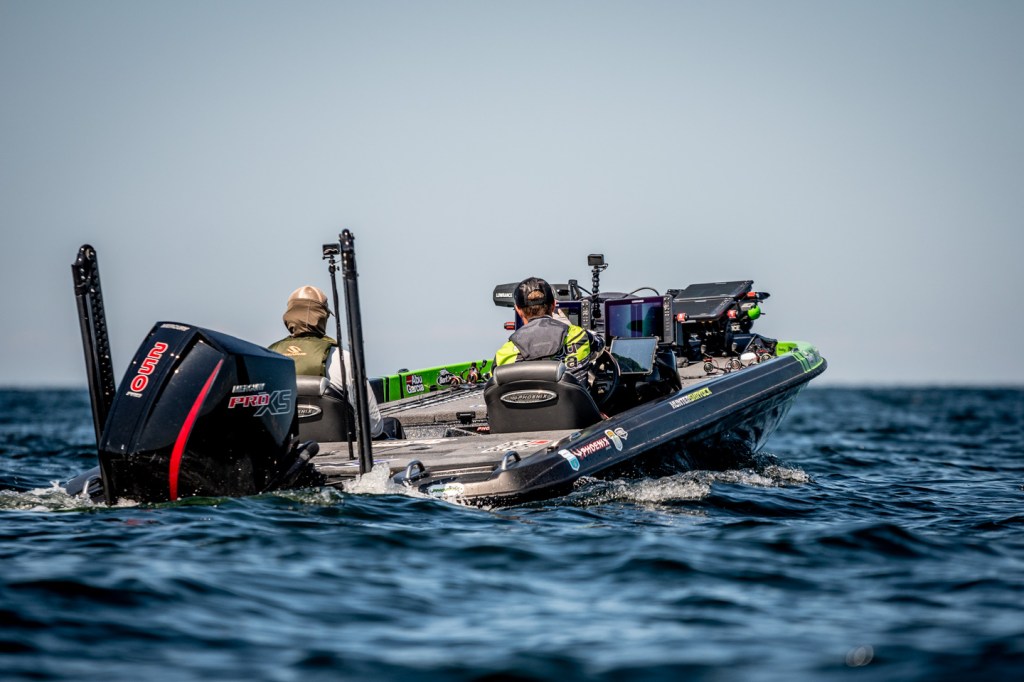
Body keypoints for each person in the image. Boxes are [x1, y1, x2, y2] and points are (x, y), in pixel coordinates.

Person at [269, 285, 383, 438]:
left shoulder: (267, 358)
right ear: (323, 317)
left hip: (284, 451)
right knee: (392, 426)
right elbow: (374, 426)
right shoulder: (344, 359)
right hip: (339, 450)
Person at [494, 277, 604, 385]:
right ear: (554, 305)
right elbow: (600, 343)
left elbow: (493, 382)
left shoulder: (504, 352)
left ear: (518, 310)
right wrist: (567, 327)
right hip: (571, 397)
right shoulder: (579, 335)